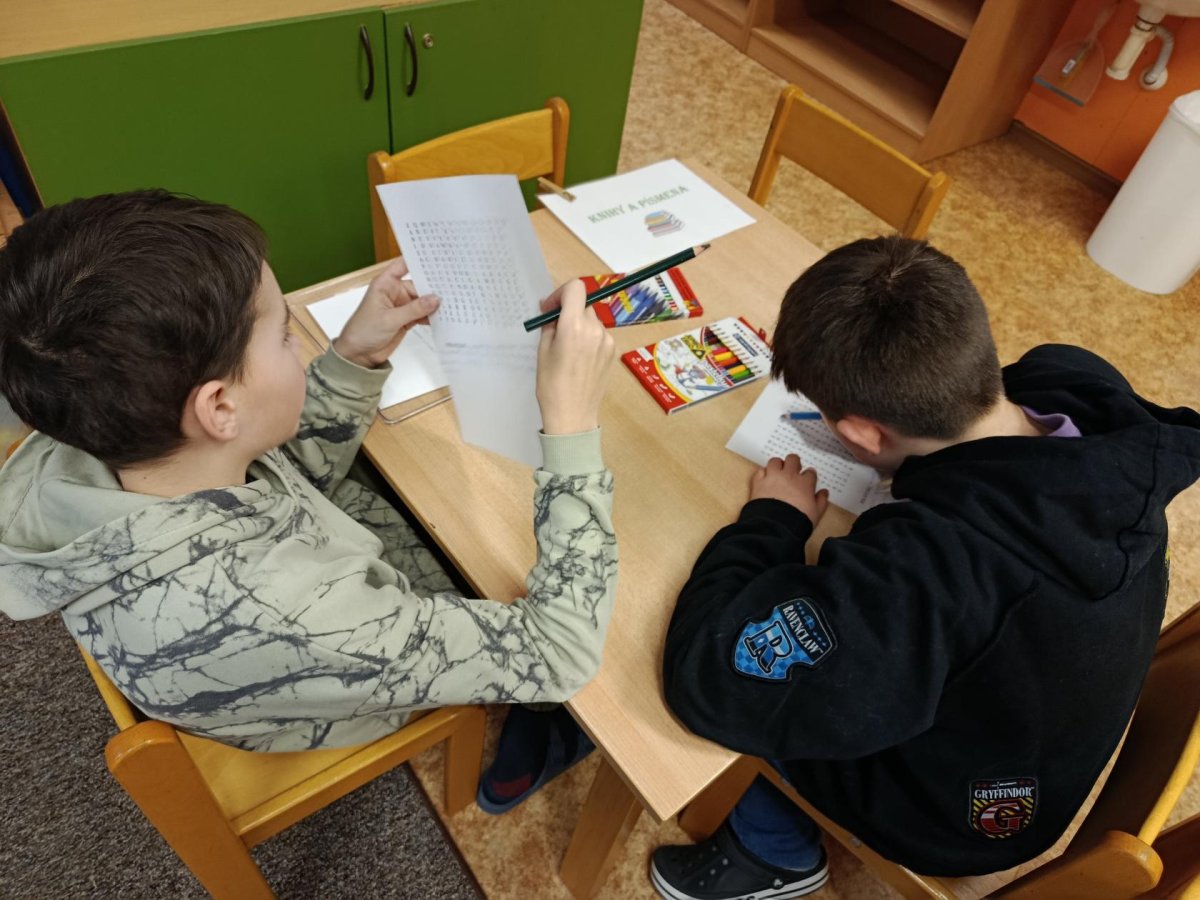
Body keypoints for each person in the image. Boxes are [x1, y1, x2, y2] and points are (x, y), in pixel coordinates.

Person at [650, 235, 1200, 899]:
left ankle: (774, 851)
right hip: (1036, 750)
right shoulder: (1078, 385)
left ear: (860, 434)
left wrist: (773, 521)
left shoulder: (926, 575)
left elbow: (710, 680)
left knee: (787, 699)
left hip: (948, 818)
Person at [0, 189, 618, 753]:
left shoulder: (117, 438)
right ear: (220, 407)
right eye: (285, 333)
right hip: (325, 661)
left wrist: (353, 355)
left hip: (303, 576)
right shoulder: (288, 615)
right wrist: (570, 425)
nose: (298, 343)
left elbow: (280, 472)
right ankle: (550, 738)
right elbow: (556, 654)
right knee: (603, 678)